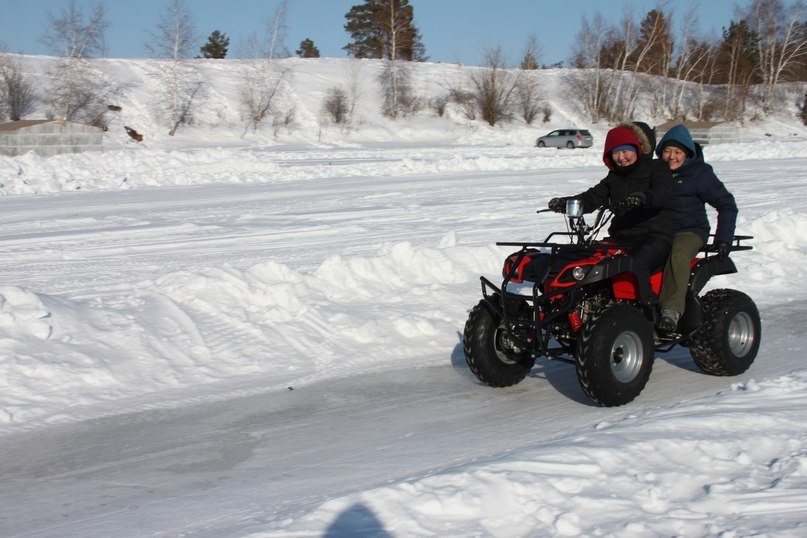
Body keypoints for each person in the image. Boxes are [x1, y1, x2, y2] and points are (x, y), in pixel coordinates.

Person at [548, 123, 673, 303]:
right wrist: (565, 203)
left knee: (634, 263)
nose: (621, 158)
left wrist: (644, 197)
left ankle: (647, 308)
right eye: (615, 153)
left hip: (655, 236)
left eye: (625, 151)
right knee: (583, 259)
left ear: (637, 148)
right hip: (621, 238)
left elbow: (663, 192)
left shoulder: (657, 168)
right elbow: (592, 197)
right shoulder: (614, 177)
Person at [656, 124, 738, 332]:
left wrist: (723, 238)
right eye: (667, 151)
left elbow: (726, 204)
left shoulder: (699, 173)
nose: (671, 157)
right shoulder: (655, 172)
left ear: (687, 153)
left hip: (690, 229)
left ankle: (671, 310)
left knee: (679, 252)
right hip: (659, 230)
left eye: (677, 152)